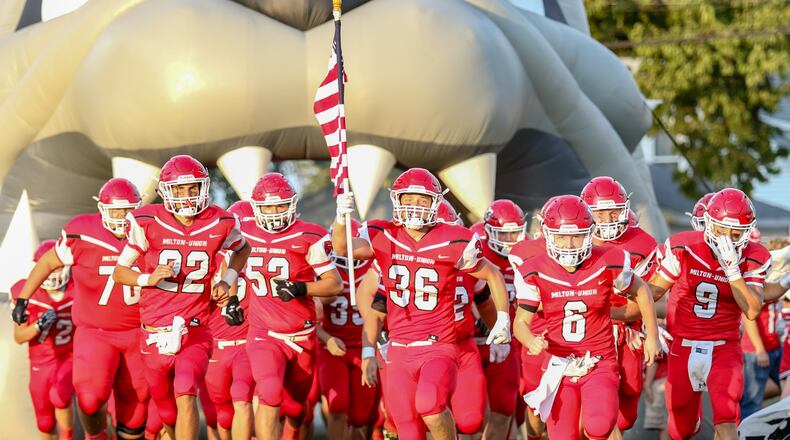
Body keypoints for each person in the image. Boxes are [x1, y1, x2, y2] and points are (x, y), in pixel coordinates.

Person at [332, 168, 512, 440]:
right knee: (406, 426)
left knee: (430, 405)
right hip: (399, 349)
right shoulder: (384, 234)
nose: (415, 207)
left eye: (423, 200)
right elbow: (342, 248)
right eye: (409, 199)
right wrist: (340, 217)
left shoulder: (452, 239)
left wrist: (503, 319)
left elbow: (492, 274)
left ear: (436, 203)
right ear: (397, 200)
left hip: (438, 345)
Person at [112, 155, 251, 440]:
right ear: (166, 191)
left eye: (193, 188)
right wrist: (147, 279)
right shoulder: (146, 221)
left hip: (194, 328)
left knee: (186, 392)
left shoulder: (220, 221)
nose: (187, 196)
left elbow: (243, 249)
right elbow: (120, 272)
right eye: (179, 189)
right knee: (166, 410)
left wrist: (227, 280)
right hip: (153, 330)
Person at [513, 195, 660, 440]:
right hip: (560, 364)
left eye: (576, 236)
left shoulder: (608, 260)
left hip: (599, 361)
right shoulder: (534, 269)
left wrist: (652, 336)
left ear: (589, 233)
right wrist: (530, 340)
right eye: (562, 236)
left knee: (599, 425)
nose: (569, 245)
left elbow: (642, 290)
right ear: (547, 235)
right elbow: (520, 322)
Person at [13, 177, 147, 440]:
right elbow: (48, 262)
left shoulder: (151, 231)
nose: (123, 217)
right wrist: (23, 299)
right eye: (116, 210)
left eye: (128, 209)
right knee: (89, 397)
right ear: (102, 209)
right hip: (96, 331)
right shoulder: (83, 231)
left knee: (137, 403)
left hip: (139, 330)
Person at [650, 188, 771, 439]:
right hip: (682, 345)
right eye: (720, 231)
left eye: (735, 233)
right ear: (708, 225)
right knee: (679, 428)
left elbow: (751, 309)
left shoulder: (753, 256)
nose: (727, 239)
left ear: (747, 232)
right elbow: (653, 292)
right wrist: (628, 287)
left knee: (726, 416)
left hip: (724, 347)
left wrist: (732, 271)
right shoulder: (684, 246)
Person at [240, 172, 342, 440]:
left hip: (301, 334)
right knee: (269, 392)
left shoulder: (310, 235)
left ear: (292, 204)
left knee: (297, 408)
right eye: (268, 206)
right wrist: (228, 300)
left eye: (280, 205)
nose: (274, 212)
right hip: (264, 333)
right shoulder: (244, 234)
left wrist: (302, 288)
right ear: (255, 208)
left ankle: (293, 430)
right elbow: (226, 273)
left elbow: (334, 284)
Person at [580, 176, 658, 438]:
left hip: (629, 332)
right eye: (600, 213)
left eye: (614, 211)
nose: (608, 218)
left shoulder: (644, 243)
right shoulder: (575, 240)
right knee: (598, 409)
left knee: (627, 410)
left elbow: (647, 299)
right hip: (587, 333)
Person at [317, 218, 380, 439]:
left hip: (365, 348)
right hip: (334, 349)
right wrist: (327, 339)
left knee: (362, 417)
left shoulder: (375, 271)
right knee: (337, 406)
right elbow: (307, 319)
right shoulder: (325, 274)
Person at [470, 199, 527, 439]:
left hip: (509, 342)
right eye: (504, 234)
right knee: (471, 416)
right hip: (473, 341)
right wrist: (478, 318)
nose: (511, 240)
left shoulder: (527, 253)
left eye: (515, 233)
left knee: (507, 408)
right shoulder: (473, 247)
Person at [11, 240, 76, 440]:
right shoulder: (25, 291)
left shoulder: (77, 288)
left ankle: (68, 436)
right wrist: (38, 325)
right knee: (45, 422)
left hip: (68, 356)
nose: (52, 274)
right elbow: (19, 337)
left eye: (57, 268)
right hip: (39, 362)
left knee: (61, 396)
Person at [204, 200, 256, 440]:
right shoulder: (208, 258)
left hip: (247, 343)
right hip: (216, 345)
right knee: (222, 417)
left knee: (243, 399)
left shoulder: (266, 260)